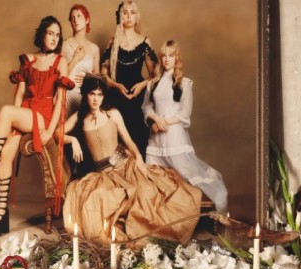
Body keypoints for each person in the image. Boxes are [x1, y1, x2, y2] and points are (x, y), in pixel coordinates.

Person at [63, 74, 202, 245]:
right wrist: (73, 140)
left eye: (99, 94)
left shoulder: (112, 114)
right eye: (92, 94)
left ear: (104, 96)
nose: (96, 99)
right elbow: (56, 134)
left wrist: (139, 159)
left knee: (146, 195)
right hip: (103, 175)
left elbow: (128, 141)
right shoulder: (79, 117)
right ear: (86, 95)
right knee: (97, 199)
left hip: (124, 165)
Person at [0, 16, 73, 237]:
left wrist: (50, 129)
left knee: (5, 111)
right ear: (42, 35)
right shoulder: (28, 59)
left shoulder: (61, 61)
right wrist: (12, 127)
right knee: (6, 153)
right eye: (50, 33)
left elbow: (60, 101)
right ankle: (1, 214)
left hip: (44, 116)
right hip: (25, 112)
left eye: (58, 35)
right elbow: (19, 95)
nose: (54, 38)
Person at [142, 40, 228, 213]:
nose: (167, 59)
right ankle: (162, 215)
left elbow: (185, 112)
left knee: (186, 173)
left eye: (171, 55)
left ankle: (216, 198)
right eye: (164, 56)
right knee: (154, 177)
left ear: (177, 59)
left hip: (174, 135)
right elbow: (146, 107)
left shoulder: (184, 83)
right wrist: (155, 119)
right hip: (155, 139)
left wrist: (163, 122)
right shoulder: (153, 83)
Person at [100, 1, 157, 158]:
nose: (129, 16)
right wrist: (117, 85)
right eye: (125, 12)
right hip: (116, 95)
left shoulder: (144, 41)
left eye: (132, 12)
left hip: (137, 96)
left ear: (137, 16)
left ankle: (139, 167)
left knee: (138, 135)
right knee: (117, 139)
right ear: (120, 16)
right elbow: (103, 75)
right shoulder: (113, 42)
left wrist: (141, 86)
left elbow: (155, 74)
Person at [62, 4, 100, 115]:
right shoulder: (65, 45)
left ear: (87, 20)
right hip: (67, 93)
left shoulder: (94, 48)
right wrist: (75, 58)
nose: (75, 20)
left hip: (87, 95)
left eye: (79, 16)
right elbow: (61, 75)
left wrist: (88, 79)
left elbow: (97, 78)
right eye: (72, 18)